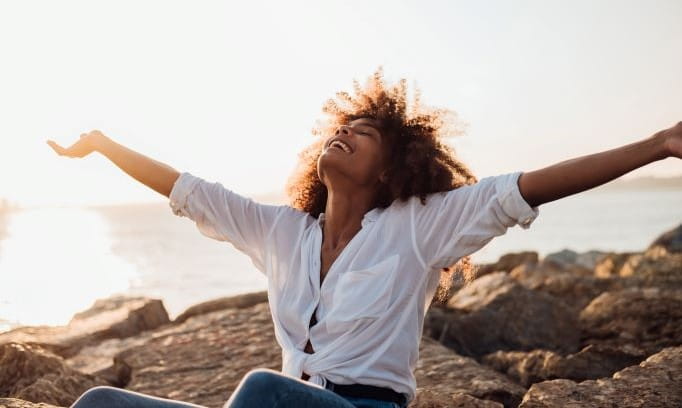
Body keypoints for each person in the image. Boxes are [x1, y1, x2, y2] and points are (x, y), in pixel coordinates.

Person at [48, 67, 681, 408]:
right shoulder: (280, 231)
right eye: (340, 126)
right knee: (102, 403)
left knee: (264, 389)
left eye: (364, 132)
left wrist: (656, 145)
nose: (343, 133)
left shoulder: (420, 227)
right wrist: (102, 146)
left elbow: (527, 187)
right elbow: (188, 190)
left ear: (390, 168)